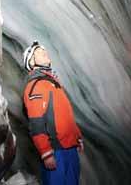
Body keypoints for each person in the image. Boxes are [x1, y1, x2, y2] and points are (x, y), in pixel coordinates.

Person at [23, 41, 83, 185]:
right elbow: (36, 123)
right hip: (56, 151)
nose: (44, 52)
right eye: (38, 52)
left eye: (44, 50)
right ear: (31, 62)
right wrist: (46, 152)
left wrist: (77, 136)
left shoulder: (53, 83)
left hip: (69, 147)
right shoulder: (35, 85)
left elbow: (65, 115)